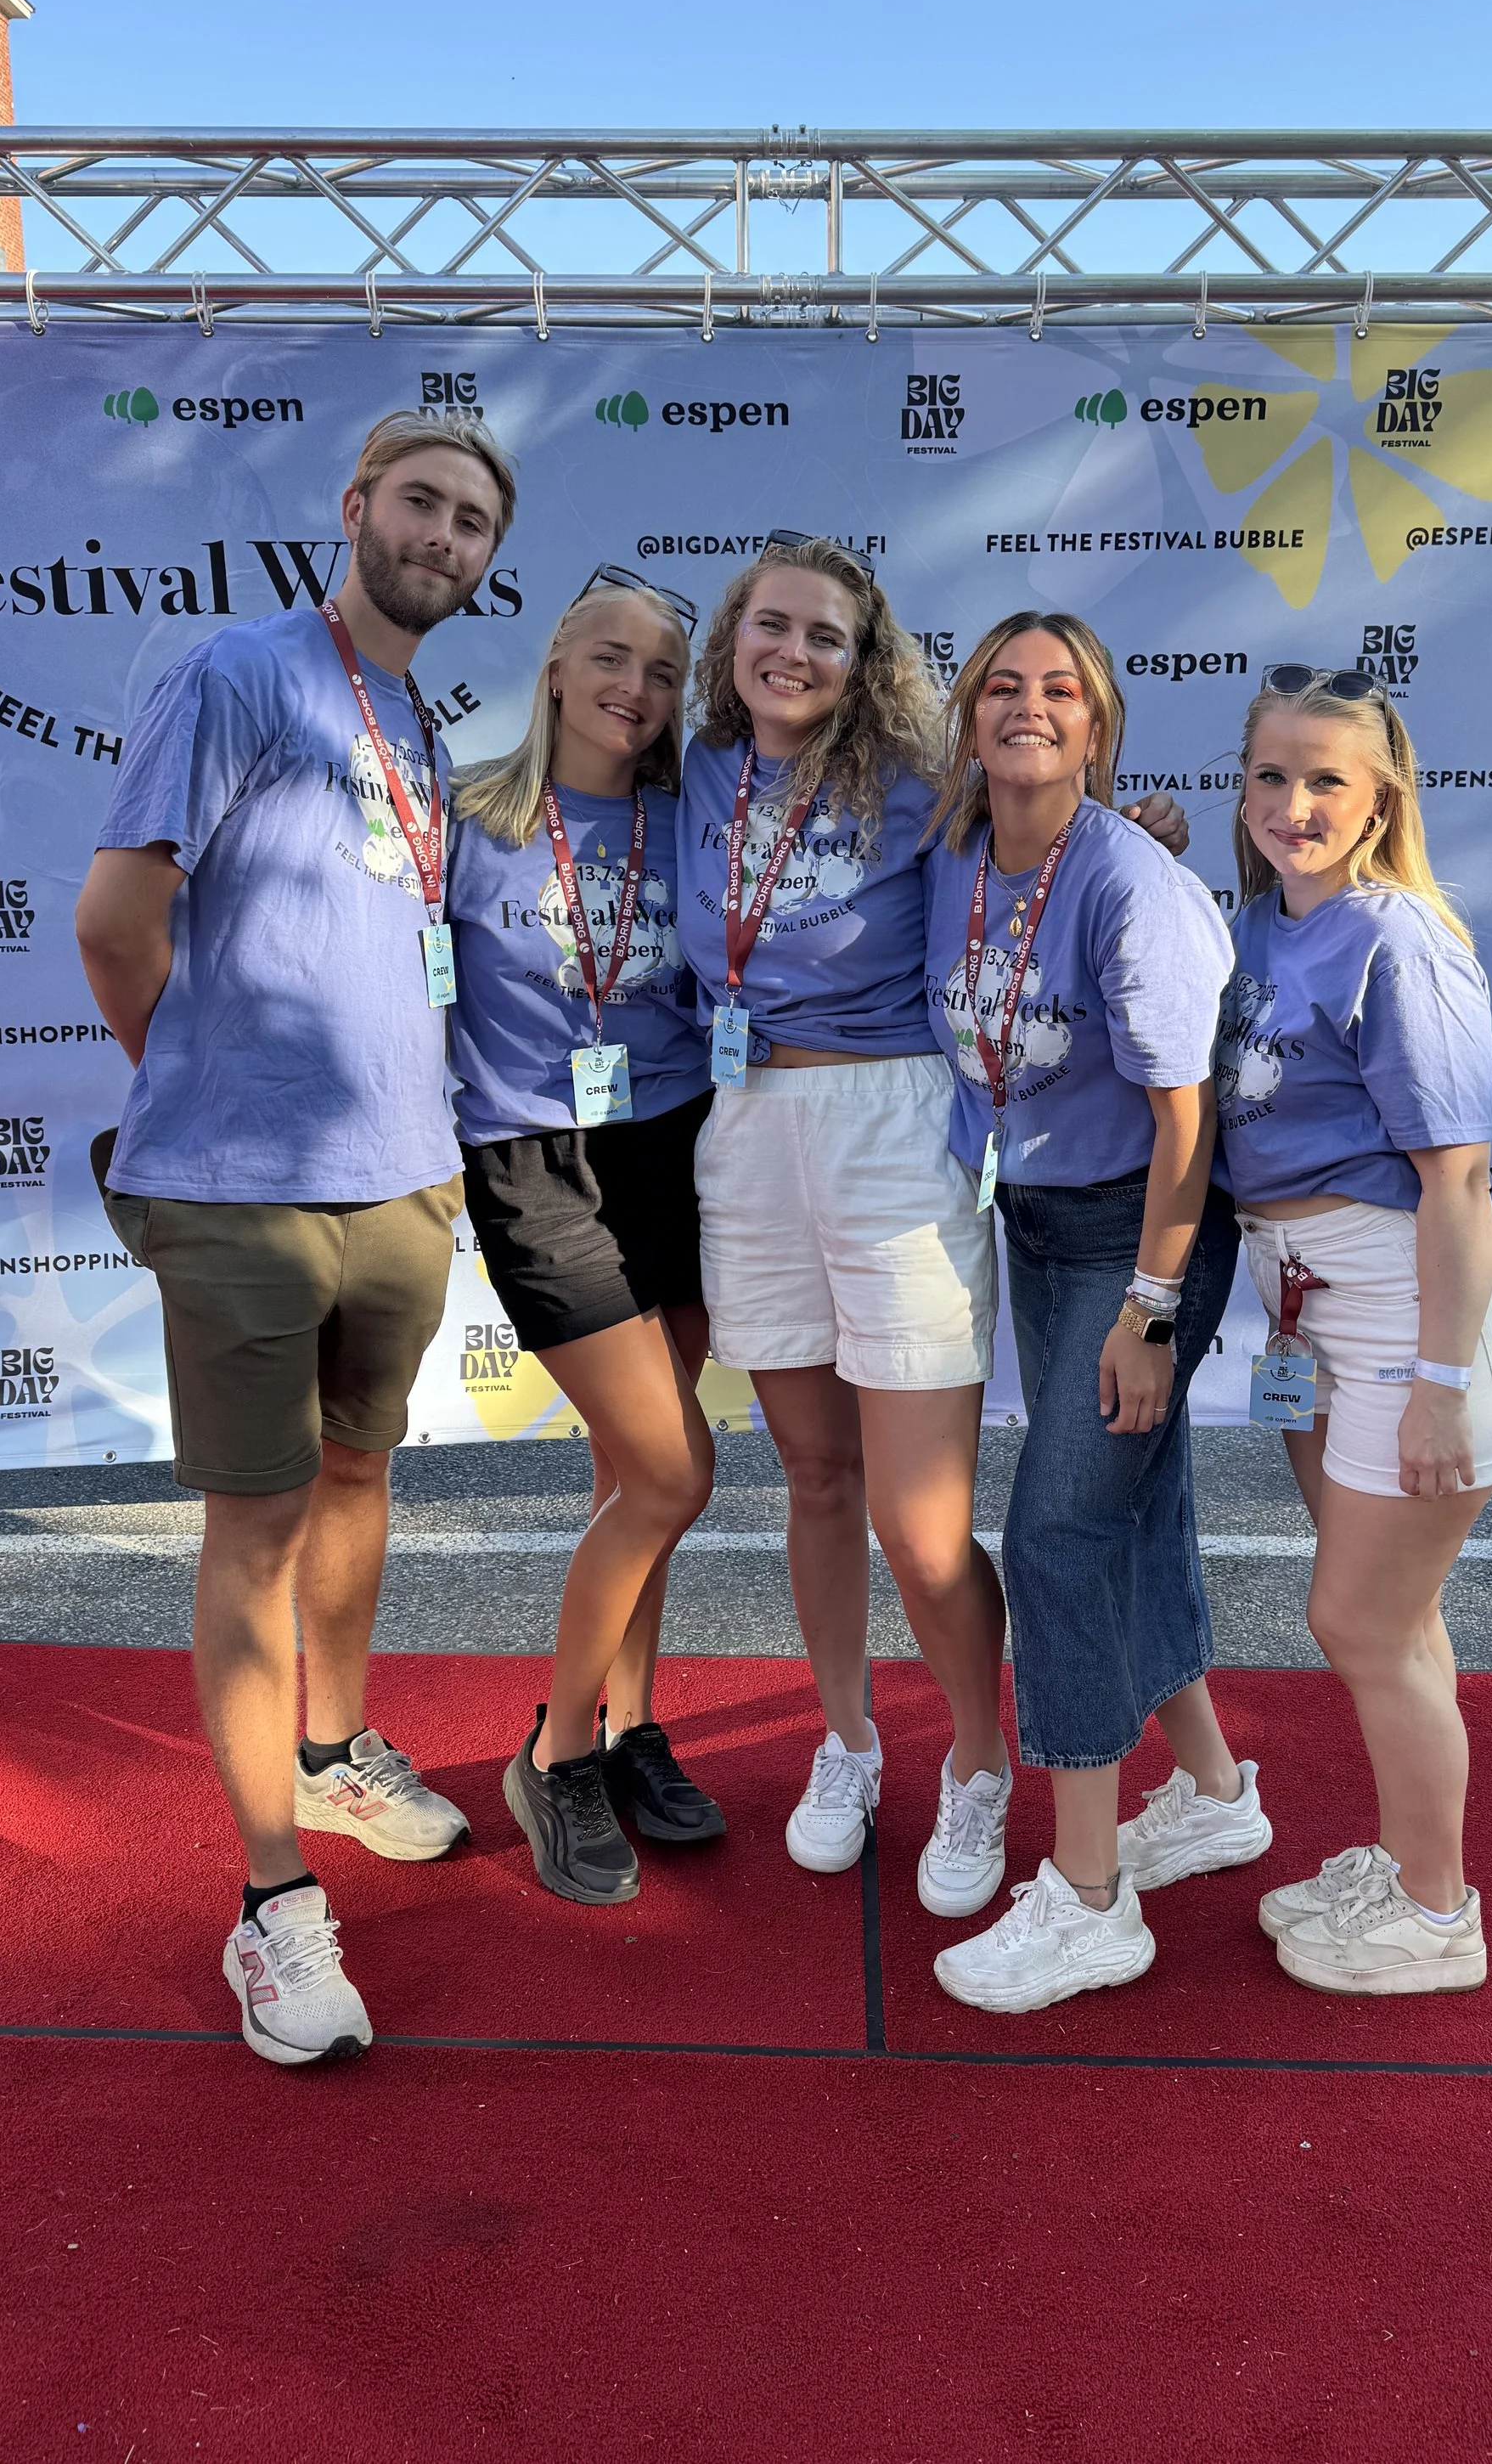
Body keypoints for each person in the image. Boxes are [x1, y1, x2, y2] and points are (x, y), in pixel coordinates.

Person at [75, 408, 515, 2069]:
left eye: (472, 519)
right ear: (356, 508)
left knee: (356, 1475)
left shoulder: (407, 713)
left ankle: (331, 1751)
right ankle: (271, 1904)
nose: (443, 535)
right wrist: (195, 1088)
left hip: (399, 1189)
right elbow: (119, 921)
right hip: (244, 1192)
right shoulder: (236, 674)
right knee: (253, 1530)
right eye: (421, 502)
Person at [677, 539, 1192, 1920]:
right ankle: (845, 1744)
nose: (793, 652)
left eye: (827, 636)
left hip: (896, 1135)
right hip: (746, 1129)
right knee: (814, 1476)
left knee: (922, 1520)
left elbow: (1051, 841)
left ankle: (977, 1763)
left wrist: (1141, 833)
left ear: (866, 661)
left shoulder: (928, 788)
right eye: (770, 626)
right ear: (733, 639)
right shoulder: (688, 780)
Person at [918, 614, 1264, 2014]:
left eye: (1062, 690)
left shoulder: (1133, 885)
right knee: (1137, 1507)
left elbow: (1186, 1131)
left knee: (1056, 1533)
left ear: (1101, 727)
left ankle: (1086, 1896)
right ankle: (1216, 1789)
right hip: (1040, 1224)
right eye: (1003, 685)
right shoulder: (958, 854)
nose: (1030, 707)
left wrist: (1153, 1307)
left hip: (1145, 1238)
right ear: (970, 718)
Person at [1215, 665, 1492, 1995]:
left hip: (1411, 1315)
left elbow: (1459, 1179)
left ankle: (1436, 1912)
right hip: (1310, 1311)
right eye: (1271, 776)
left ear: (1380, 795)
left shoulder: (1400, 938)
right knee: (1398, 1627)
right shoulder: (1253, 924)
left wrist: (1440, 1385)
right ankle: (1411, 1861)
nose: (1295, 804)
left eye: (1326, 780)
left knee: (1358, 1623)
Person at [447, 566, 723, 1908]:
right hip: (532, 1163)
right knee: (674, 1475)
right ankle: (553, 1751)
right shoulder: (463, 820)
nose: (636, 689)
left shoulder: (699, 822)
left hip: (678, 1149)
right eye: (611, 658)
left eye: (664, 671)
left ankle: (626, 1728)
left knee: (631, 1471)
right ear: (555, 664)